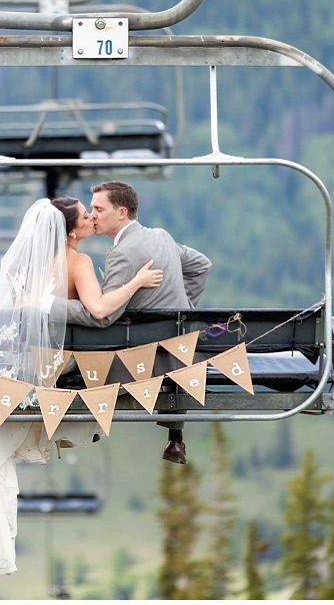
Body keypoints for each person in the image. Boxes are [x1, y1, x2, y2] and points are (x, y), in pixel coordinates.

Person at [0, 198, 163, 576]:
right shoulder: (78, 263)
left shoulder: (24, 265)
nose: (92, 217)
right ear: (72, 231)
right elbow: (98, 309)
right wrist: (136, 283)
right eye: (85, 213)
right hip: (54, 367)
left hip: (20, 363)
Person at [59, 181, 212, 465]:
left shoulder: (123, 254)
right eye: (91, 209)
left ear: (122, 212)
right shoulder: (161, 236)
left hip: (144, 362)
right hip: (182, 354)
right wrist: (183, 310)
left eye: (98, 208)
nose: (93, 215)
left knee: (77, 355)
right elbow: (202, 265)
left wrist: (53, 308)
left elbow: (103, 317)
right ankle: (174, 438)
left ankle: (79, 427)